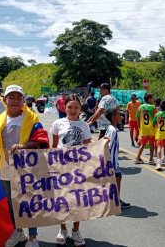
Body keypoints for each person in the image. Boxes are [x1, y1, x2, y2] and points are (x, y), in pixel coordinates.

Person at [0, 85, 48, 247]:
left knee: (29, 202)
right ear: (5, 100)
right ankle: (18, 233)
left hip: (27, 169)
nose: (15, 101)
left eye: (19, 98)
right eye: (12, 97)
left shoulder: (31, 118)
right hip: (5, 168)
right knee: (11, 203)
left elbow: (41, 138)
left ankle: (33, 238)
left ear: (23, 100)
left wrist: (24, 146)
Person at [50, 94, 91, 246]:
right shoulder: (57, 123)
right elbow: (54, 145)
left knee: (77, 200)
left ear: (80, 109)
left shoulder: (84, 126)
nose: (73, 110)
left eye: (76, 107)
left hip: (78, 169)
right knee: (62, 200)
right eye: (69, 107)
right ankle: (63, 229)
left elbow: (88, 147)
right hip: (61, 168)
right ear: (64, 108)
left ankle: (76, 230)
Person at [104, 108, 131, 209]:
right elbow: (109, 147)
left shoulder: (112, 128)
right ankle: (115, 201)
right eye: (119, 115)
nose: (121, 116)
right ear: (113, 117)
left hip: (113, 160)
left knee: (116, 179)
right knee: (117, 179)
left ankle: (116, 199)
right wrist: (112, 163)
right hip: (111, 161)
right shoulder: (112, 130)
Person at [133, 93, 158, 165]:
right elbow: (156, 117)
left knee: (143, 144)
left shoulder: (141, 107)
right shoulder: (153, 107)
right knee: (151, 144)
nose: (153, 100)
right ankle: (151, 159)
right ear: (149, 99)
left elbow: (138, 118)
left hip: (143, 128)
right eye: (152, 98)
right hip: (151, 128)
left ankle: (137, 157)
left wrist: (139, 127)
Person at [152, 100, 165, 171]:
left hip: (159, 132)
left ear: (160, 106)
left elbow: (153, 123)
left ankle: (159, 163)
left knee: (159, 146)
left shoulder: (157, 114)